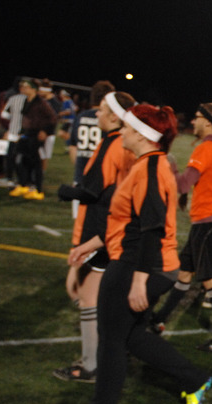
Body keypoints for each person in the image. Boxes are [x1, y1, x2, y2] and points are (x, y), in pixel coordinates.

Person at [54, 104, 212, 404]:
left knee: (110, 339)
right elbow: (129, 223)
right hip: (145, 262)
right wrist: (90, 244)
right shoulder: (147, 165)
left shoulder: (150, 169)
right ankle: (195, 379)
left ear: (142, 134)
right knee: (130, 337)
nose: (122, 132)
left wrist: (139, 281)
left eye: (127, 127)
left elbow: (150, 229)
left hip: (139, 264)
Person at [53, 91, 137, 383]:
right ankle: (105, 349)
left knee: (85, 296)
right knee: (81, 292)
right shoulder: (120, 143)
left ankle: (93, 364)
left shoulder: (114, 143)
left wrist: (67, 191)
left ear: (115, 116)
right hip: (106, 230)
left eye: (101, 109)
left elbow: (95, 192)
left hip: (99, 231)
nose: (96, 113)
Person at [149, 103, 212, 353]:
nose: (193, 122)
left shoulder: (207, 148)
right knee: (185, 274)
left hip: (207, 222)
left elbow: (183, 185)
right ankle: (158, 321)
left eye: (197, 118)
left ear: (209, 123)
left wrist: (170, 167)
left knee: (210, 279)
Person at [67, 81, 116, 216]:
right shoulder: (108, 119)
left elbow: (72, 147)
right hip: (102, 180)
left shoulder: (81, 116)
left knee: (80, 223)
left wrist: (80, 169)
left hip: (81, 177)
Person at [8, 78, 56, 200]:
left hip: (36, 135)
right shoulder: (27, 101)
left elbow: (52, 118)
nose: (23, 89)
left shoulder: (41, 103)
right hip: (26, 134)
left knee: (36, 162)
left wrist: (45, 131)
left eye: (26, 87)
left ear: (33, 89)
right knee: (19, 158)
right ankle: (24, 184)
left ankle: (38, 189)